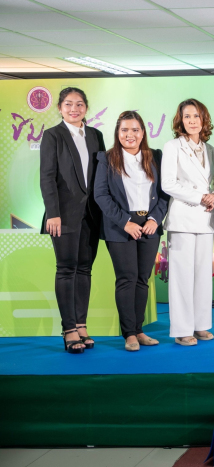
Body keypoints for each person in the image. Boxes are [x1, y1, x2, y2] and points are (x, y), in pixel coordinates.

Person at [94, 111, 169, 352]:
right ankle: (129, 334)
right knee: (126, 278)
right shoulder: (107, 158)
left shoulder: (155, 156)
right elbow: (101, 195)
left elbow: (165, 192)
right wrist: (125, 222)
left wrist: (155, 218)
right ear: (117, 133)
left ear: (143, 132)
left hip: (149, 224)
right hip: (120, 226)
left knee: (142, 279)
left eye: (135, 130)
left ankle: (139, 329)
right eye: (125, 130)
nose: (130, 135)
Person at [40, 87, 106, 354]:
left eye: (79, 104)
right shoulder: (52, 135)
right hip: (63, 215)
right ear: (59, 108)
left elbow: (102, 175)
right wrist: (52, 212)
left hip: (92, 213)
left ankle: (81, 325)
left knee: (85, 269)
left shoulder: (95, 135)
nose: (74, 109)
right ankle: (68, 329)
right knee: (66, 269)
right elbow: (47, 176)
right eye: (68, 104)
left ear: (86, 108)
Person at [161, 99, 214, 346]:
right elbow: (168, 183)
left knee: (203, 274)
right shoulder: (172, 146)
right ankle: (183, 329)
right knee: (182, 276)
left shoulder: (210, 149)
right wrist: (199, 197)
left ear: (204, 120)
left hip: (206, 217)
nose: (192, 121)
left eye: (196, 116)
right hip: (183, 217)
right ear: (180, 120)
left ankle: (201, 324)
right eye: (187, 116)